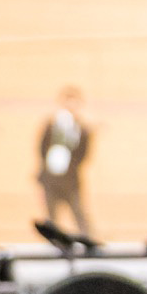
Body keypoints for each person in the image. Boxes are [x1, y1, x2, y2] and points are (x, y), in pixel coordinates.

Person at [37, 85, 94, 239]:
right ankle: (53, 243)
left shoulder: (82, 129)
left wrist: (70, 167)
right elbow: (42, 148)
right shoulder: (52, 125)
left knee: (79, 213)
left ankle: (88, 240)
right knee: (51, 216)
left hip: (70, 180)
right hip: (51, 179)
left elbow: (83, 154)